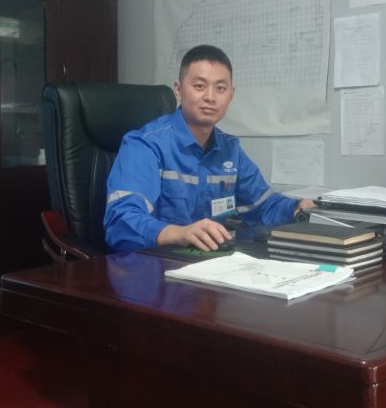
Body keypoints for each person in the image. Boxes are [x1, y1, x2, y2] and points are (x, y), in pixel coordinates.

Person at [104, 44, 315, 252]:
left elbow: (263, 207)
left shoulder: (230, 150)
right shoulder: (145, 145)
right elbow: (121, 222)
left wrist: (297, 207)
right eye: (199, 86)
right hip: (151, 264)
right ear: (178, 90)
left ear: (231, 94)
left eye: (220, 88)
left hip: (208, 262)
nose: (210, 97)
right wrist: (180, 233)